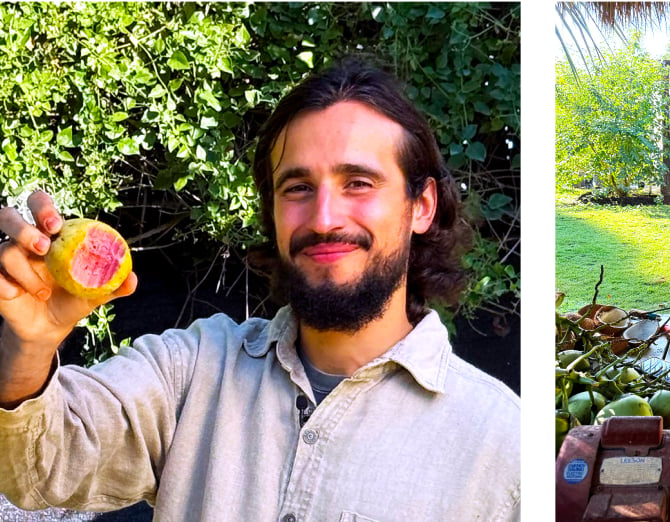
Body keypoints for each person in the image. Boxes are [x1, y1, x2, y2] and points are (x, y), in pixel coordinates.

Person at [0, 57, 520, 521]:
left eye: (358, 182)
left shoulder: (503, 445)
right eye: (296, 188)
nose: (323, 218)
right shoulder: (193, 369)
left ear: (422, 206)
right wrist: (28, 345)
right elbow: (37, 470)